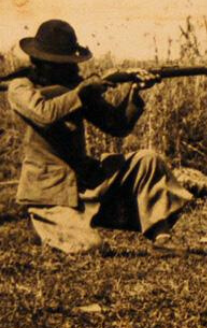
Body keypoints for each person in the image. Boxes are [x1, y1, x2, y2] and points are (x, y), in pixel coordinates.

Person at [8, 19, 193, 254]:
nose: (68, 69)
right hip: (50, 193)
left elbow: (117, 126)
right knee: (90, 246)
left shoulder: (76, 89)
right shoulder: (21, 87)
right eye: (59, 64)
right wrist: (82, 93)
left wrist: (133, 93)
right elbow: (45, 114)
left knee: (148, 160)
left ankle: (162, 237)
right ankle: (45, 227)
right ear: (42, 62)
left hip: (85, 182)